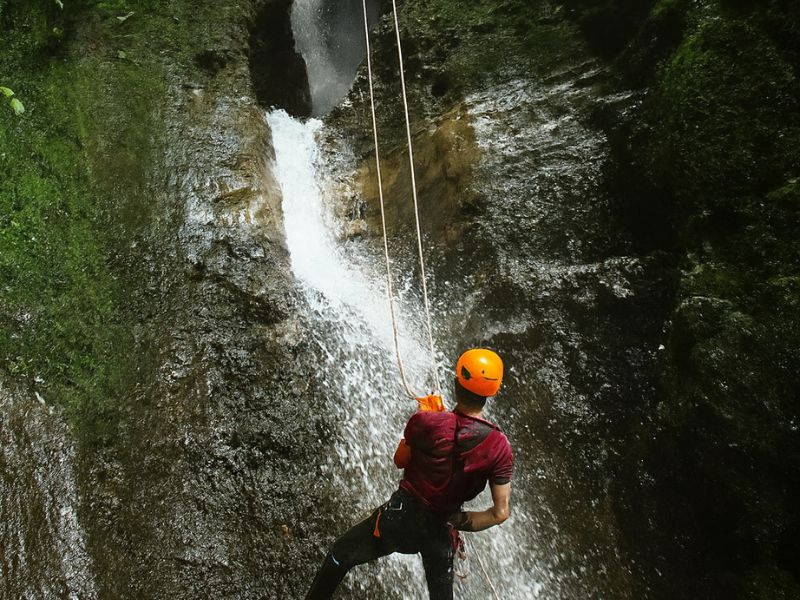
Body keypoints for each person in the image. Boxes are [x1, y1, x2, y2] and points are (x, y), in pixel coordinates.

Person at [306, 348, 513, 600]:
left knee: (340, 554)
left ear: (456, 381)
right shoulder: (500, 446)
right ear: (495, 391)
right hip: (439, 533)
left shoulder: (427, 422)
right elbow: (500, 513)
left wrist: (426, 417)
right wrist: (454, 519)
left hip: (400, 519)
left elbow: (399, 460)